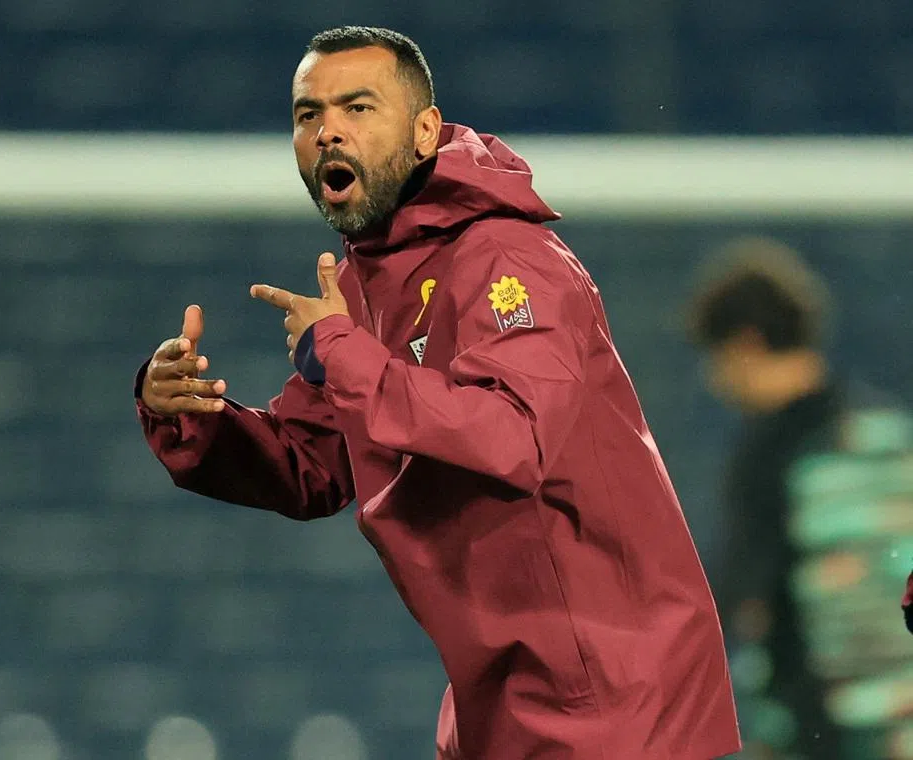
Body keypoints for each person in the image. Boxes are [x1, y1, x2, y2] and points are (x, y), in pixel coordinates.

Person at [135, 26, 741, 760]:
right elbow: (313, 466)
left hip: (617, 701)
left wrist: (339, 352)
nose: (328, 131)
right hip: (500, 704)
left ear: (425, 131)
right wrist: (190, 417)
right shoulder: (364, 289)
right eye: (307, 114)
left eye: (357, 108)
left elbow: (513, 436)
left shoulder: (509, 259)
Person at [684, 237, 847, 759]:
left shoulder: (767, 457)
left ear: (745, 344)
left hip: (819, 723)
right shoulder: (885, 433)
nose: (715, 381)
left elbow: (740, 599)